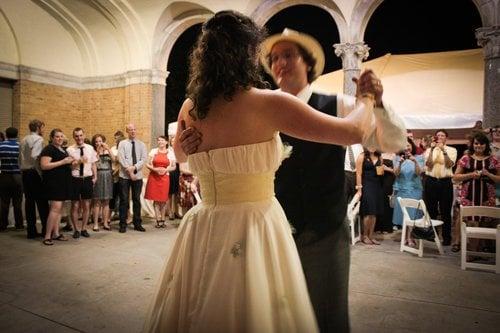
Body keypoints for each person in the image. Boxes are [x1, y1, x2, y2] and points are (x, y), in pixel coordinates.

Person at [143, 11, 406, 333]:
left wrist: (181, 143)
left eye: (288, 55)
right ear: (248, 55)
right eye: (270, 55)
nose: (278, 62)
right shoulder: (268, 102)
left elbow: (182, 155)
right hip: (257, 224)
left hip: (214, 224)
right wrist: (366, 99)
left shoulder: (191, 106)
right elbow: (352, 133)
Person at [452, 131, 499, 252]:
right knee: (465, 218)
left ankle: (479, 247)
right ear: (473, 144)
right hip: (468, 195)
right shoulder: (465, 159)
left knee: (485, 220)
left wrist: (488, 174)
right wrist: (471, 175)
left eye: (482, 144)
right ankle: (460, 244)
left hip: (487, 196)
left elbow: (499, 179)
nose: (479, 146)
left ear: (486, 145)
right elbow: (456, 177)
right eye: (477, 143)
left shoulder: (493, 160)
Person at [424, 129, 457, 246]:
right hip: (431, 181)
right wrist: (433, 149)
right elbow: (428, 164)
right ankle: (432, 235)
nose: (440, 137)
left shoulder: (452, 150)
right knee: (431, 209)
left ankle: (447, 238)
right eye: (438, 135)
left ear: (446, 138)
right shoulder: (429, 150)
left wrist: (443, 151)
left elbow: (449, 164)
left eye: (442, 135)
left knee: (445, 211)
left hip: (445, 182)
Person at [40, 129, 73, 245]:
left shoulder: (62, 149)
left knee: (59, 211)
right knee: (54, 210)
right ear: (52, 138)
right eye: (57, 137)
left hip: (62, 183)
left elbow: (66, 163)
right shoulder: (49, 149)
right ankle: (47, 236)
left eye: (61, 136)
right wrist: (63, 162)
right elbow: (44, 166)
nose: (60, 138)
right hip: (54, 183)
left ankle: (56, 233)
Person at [20, 119, 50, 238]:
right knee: (42, 202)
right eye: (43, 127)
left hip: (25, 172)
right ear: (38, 127)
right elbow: (35, 155)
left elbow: (20, 158)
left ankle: (31, 232)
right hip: (35, 173)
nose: (43, 130)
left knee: (29, 202)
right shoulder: (39, 139)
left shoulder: (23, 139)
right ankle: (45, 230)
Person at [392, 138, 425, 246]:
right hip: (402, 189)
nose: (407, 148)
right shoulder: (397, 158)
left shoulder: (419, 157)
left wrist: (414, 161)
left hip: (415, 189)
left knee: (412, 214)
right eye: (404, 146)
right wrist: (400, 163)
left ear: (412, 146)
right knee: (404, 214)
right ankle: (406, 236)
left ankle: (410, 237)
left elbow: (419, 172)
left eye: (409, 145)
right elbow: (396, 173)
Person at [66, 128, 97, 239]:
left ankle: (83, 228)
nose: (79, 138)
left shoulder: (90, 148)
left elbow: (93, 163)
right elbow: (69, 166)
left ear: (84, 135)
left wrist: (95, 177)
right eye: (76, 136)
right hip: (75, 179)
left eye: (80, 135)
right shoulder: (70, 149)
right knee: (75, 205)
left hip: (87, 179)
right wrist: (79, 161)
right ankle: (76, 229)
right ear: (74, 137)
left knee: (86, 205)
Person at [117, 123, 147, 233]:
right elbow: (121, 159)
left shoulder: (142, 145)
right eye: (130, 130)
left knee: (136, 200)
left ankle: (137, 223)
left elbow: (143, 159)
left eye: (134, 129)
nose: (133, 131)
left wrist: (134, 168)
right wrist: (130, 172)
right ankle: (122, 224)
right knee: (124, 200)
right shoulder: (122, 143)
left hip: (137, 176)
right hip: (124, 176)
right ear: (127, 131)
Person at [145, 135, 176, 228]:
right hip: (154, 177)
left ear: (166, 142)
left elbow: (174, 166)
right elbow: (147, 163)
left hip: (165, 177)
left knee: (163, 199)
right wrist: (155, 169)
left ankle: (163, 219)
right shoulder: (153, 151)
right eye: (159, 140)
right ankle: (158, 220)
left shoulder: (171, 153)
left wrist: (165, 170)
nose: (160, 142)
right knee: (156, 199)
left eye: (162, 140)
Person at [356, 148, 385, 245]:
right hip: (367, 185)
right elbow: (358, 174)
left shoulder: (379, 157)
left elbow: (380, 173)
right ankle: (364, 235)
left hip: (377, 185)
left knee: (374, 212)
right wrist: (359, 189)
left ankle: (371, 236)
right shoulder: (362, 156)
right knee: (368, 211)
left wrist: (381, 169)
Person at [0, 127, 23, 232]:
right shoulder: (20, 146)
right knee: (17, 202)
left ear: (6, 134)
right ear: (17, 134)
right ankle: (19, 225)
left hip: (4, 176)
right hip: (17, 176)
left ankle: (2, 225)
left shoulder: (1, 145)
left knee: (4, 202)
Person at [91, 134, 114, 231]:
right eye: (96, 141)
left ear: (103, 141)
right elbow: (93, 163)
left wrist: (108, 149)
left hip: (108, 175)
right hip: (98, 175)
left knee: (106, 201)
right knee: (96, 201)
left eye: (100, 141)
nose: (98, 143)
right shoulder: (93, 152)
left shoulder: (108, 150)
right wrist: (97, 152)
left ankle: (105, 223)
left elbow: (114, 160)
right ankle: (95, 223)